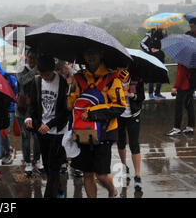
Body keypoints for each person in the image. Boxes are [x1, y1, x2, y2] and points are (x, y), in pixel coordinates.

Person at [68, 47, 127, 198]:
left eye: (94, 52)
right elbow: (70, 105)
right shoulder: (79, 78)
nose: (90, 56)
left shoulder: (113, 79)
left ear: (101, 54)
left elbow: (120, 106)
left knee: (101, 174)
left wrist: (93, 112)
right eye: (88, 53)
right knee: (87, 173)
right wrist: (69, 88)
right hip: (83, 130)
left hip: (106, 131)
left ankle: (112, 191)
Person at [25, 54, 70, 198]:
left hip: (58, 130)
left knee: (54, 166)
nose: (45, 77)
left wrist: (50, 125)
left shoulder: (62, 83)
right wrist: (30, 120)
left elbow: (65, 111)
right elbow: (32, 106)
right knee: (47, 165)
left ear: (53, 69)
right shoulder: (37, 81)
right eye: (42, 74)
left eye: (48, 74)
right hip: (41, 130)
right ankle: (59, 191)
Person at [15, 48, 42, 175]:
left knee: (37, 136)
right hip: (23, 109)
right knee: (25, 136)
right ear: (26, 57)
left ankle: (37, 159)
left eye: (35, 58)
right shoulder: (20, 68)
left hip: (36, 109)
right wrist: (36, 70)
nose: (33, 60)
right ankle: (27, 162)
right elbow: (22, 80)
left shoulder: (42, 70)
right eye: (31, 57)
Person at [116, 69, 145, 192]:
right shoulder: (114, 79)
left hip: (133, 115)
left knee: (134, 144)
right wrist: (119, 93)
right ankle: (124, 166)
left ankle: (137, 176)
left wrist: (130, 94)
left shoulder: (136, 79)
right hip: (119, 115)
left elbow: (141, 97)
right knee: (120, 142)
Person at [0, 59, 17, 165]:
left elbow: (14, 91)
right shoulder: (6, 76)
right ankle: (4, 150)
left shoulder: (5, 76)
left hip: (8, 110)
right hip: (2, 109)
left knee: (3, 132)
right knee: (1, 132)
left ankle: (8, 152)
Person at [166, 63, 194, 136]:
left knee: (178, 107)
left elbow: (180, 74)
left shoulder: (183, 60)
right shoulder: (192, 59)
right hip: (191, 85)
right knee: (190, 106)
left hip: (183, 86)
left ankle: (177, 128)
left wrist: (175, 86)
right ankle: (190, 128)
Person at [140, 28, 167, 99]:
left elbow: (165, 46)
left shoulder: (163, 35)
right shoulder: (150, 34)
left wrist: (166, 38)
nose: (162, 28)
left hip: (160, 57)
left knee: (161, 75)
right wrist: (149, 50)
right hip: (152, 58)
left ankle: (157, 92)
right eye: (161, 26)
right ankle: (150, 93)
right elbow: (142, 43)